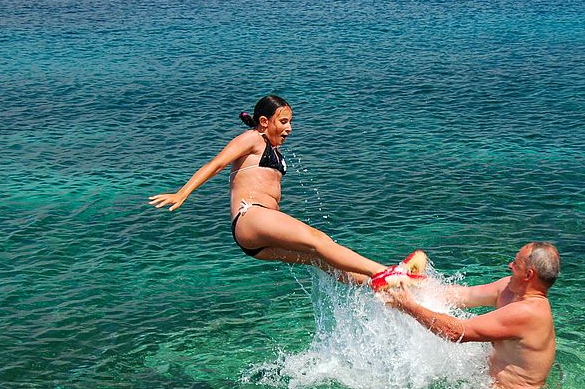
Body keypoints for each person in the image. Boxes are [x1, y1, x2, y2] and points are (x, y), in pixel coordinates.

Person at [148, 94, 425, 289]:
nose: (289, 128)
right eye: (283, 122)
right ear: (264, 121)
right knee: (319, 239)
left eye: (290, 122)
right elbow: (218, 163)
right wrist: (182, 193)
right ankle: (385, 272)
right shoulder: (252, 139)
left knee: (321, 258)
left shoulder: (272, 148)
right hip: (251, 216)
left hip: (256, 238)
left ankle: (378, 287)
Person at [383, 242, 560, 389]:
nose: (509, 265)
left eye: (515, 263)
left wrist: (408, 305)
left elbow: (457, 333)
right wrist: (412, 282)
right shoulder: (508, 289)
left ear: (529, 274)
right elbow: (461, 295)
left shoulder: (528, 312)